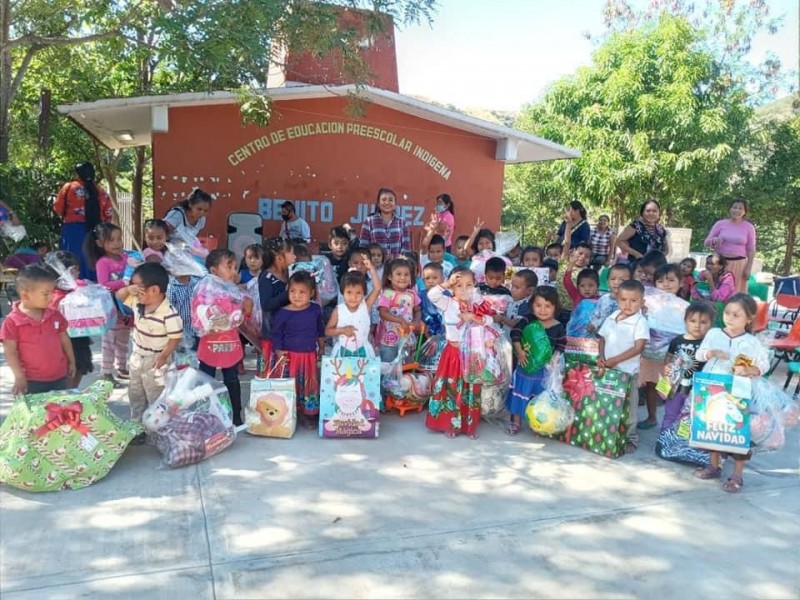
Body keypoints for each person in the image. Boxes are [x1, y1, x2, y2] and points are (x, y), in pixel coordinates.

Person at [694, 293, 770, 493]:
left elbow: (764, 364)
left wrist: (750, 370)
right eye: (727, 313)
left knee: (737, 432)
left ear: (749, 318)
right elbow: (699, 354)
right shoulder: (714, 334)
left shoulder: (752, 342)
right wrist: (711, 353)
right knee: (712, 427)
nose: (730, 318)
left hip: (738, 392)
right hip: (712, 386)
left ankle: (737, 474)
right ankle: (714, 465)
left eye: (737, 315)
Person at [425, 267, 493, 439]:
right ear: (452, 288)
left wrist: (475, 318)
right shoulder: (448, 303)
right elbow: (432, 295)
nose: (464, 289)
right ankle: (449, 424)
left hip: (472, 355)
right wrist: (447, 283)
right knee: (451, 389)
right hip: (453, 354)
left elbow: (491, 319)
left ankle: (469, 426)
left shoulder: (477, 303)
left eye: (469, 285)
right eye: (459, 285)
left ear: (475, 285)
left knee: (470, 389)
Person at [117, 263, 183, 435]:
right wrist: (128, 289)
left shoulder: (169, 313)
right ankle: (137, 426)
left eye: (139, 289)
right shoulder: (137, 303)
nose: (134, 292)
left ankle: (158, 429)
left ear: (154, 290)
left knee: (156, 394)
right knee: (135, 392)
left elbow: (175, 337)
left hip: (156, 358)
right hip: (138, 356)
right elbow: (119, 295)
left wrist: (164, 355)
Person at [194, 249, 250, 426]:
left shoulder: (235, 291)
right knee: (206, 379)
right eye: (229, 267)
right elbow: (198, 314)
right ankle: (205, 414)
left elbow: (241, 316)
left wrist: (246, 307)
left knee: (232, 379)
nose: (234, 271)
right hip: (209, 342)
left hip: (230, 342)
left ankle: (236, 416)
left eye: (235, 267)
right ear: (213, 270)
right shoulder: (204, 290)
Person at [0, 265, 76, 395]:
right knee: (37, 413)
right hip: (32, 380)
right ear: (25, 295)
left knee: (59, 412)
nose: (51, 297)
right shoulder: (12, 322)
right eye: (45, 294)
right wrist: (19, 376)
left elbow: (64, 339)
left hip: (59, 376)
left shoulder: (55, 315)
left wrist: (72, 362)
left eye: (52, 292)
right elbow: (10, 352)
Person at [597, 279, 650, 453]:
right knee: (610, 402)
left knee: (629, 407)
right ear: (617, 299)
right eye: (623, 300)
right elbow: (602, 339)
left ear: (642, 302)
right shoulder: (612, 317)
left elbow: (639, 347)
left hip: (628, 372)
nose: (628, 304)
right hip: (609, 369)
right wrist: (602, 358)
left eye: (634, 301)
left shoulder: (640, 322)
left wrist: (616, 360)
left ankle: (630, 438)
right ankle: (608, 433)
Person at [506, 286, 566, 435]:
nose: (542, 310)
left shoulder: (558, 327)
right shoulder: (528, 320)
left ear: (555, 307)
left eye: (547, 306)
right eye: (538, 305)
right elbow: (515, 333)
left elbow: (561, 344)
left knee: (540, 399)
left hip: (544, 370)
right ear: (532, 306)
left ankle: (537, 424)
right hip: (525, 367)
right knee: (520, 393)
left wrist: (555, 358)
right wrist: (519, 351)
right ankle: (516, 422)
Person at [271, 271, 326, 426]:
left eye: (302, 292)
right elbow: (276, 334)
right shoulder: (283, 313)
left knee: (308, 385)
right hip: (290, 357)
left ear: (312, 293)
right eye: (293, 291)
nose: (297, 296)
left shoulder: (315, 310)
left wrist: (321, 346)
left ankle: (308, 413)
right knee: (291, 384)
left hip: (309, 356)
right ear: (288, 290)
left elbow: (319, 329)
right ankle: (289, 413)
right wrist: (279, 351)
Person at [639, 263, 685, 430]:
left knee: (672, 387)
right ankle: (652, 417)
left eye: (671, 280)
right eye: (661, 281)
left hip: (672, 356)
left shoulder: (684, 306)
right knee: (651, 384)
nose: (666, 285)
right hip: (650, 352)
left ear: (681, 283)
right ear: (655, 284)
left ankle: (672, 422)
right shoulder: (649, 301)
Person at [86, 223, 132, 386]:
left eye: (119, 239)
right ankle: (106, 372)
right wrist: (124, 281)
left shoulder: (127, 257)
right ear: (100, 243)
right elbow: (104, 284)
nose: (117, 243)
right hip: (110, 309)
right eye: (111, 240)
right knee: (109, 342)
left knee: (123, 340)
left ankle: (122, 367)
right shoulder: (103, 262)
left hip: (126, 308)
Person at [53, 162, 114, 280]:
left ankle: (73, 285)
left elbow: (58, 208)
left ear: (78, 174)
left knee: (71, 258)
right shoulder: (100, 191)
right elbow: (108, 214)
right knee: (92, 257)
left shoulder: (69, 187)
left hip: (73, 230)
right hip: (96, 230)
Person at [47, 251, 94, 389]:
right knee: (67, 371)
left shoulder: (78, 289)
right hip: (62, 341)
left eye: (77, 269)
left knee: (79, 366)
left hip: (79, 338)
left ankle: (72, 393)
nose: (77, 273)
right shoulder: (54, 296)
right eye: (73, 270)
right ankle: (66, 397)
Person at [257, 237, 296, 375]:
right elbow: (266, 304)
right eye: (291, 253)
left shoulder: (288, 274)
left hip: (288, 332)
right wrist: (287, 293)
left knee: (287, 374)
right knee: (272, 373)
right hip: (272, 334)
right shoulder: (266, 277)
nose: (294, 256)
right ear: (279, 256)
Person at [326, 260, 381, 357]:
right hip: (343, 351)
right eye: (349, 292)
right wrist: (342, 330)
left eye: (358, 293)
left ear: (364, 293)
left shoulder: (365, 306)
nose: (353, 297)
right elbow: (328, 331)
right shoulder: (339, 310)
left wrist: (371, 269)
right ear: (343, 292)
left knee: (363, 372)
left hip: (363, 351)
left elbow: (377, 289)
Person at [704, 198, 756, 293]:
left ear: (745, 212)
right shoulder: (720, 224)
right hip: (719, 265)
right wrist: (714, 241)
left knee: (735, 295)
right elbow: (706, 242)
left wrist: (748, 268)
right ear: (730, 209)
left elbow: (751, 249)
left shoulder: (749, 227)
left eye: (740, 208)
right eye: (734, 207)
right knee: (717, 293)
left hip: (739, 266)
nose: (737, 210)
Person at [376, 258, 422, 363]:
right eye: (398, 274)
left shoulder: (412, 293)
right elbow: (383, 313)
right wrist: (401, 321)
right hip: (389, 340)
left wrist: (416, 321)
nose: (402, 277)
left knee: (407, 366)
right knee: (388, 367)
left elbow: (417, 310)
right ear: (390, 277)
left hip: (407, 338)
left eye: (406, 274)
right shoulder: (388, 293)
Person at [358, 188, 411, 258]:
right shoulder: (369, 221)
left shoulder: (402, 222)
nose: (387, 203)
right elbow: (363, 247)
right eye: (383, 200)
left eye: (391, 200)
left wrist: (398, 259)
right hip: (375, 265)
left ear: (395, 204)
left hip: (396, 265)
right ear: (378, 204)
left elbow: (406, 247)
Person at [589, 263, 632, 333]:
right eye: (613, 279)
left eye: (622, 280)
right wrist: (593, 325)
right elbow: (596, 315)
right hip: (600, 335)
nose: (617, 282)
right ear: (607, 282)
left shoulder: (630, 303)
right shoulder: (603, 299)